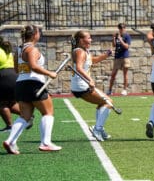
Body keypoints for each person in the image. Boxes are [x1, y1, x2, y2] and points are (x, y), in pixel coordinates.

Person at [3, 25, 61, 155]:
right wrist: (49, 73)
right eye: (38, 32)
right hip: (33, 84)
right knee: (48, 112)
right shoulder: (32, 49)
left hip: (20, 85)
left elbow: (17, 69)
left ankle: (11, 141)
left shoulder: (18, 50)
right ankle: (46, 143)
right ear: (35, 34)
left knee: (25, 116)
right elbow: (34, 66)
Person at [70, 30, 113, 142]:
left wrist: (106, 55)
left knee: (102, 103)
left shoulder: (85, 51)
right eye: (88, 38)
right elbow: (79, 68)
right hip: (81, 85)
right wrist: (90, 79)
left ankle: (99, 128)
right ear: (81, 40)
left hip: (81, 85)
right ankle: (97, 129)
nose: (91, 40)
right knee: (108, 102)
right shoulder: (80, 52)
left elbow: (92, 61)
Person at [107, 23, 131, 96]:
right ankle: (110, 90)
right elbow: (114, 45)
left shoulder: (127, 36)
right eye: (120, 28)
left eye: (122, 28)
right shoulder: (117, 35)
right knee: (113, 74)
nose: (121, 29)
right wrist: (114, 38)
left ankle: (124, 90)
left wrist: (120, 39)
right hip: (117, 57)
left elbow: (127, 47)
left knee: (125, 74)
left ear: (125, 28)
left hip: (124, 57)